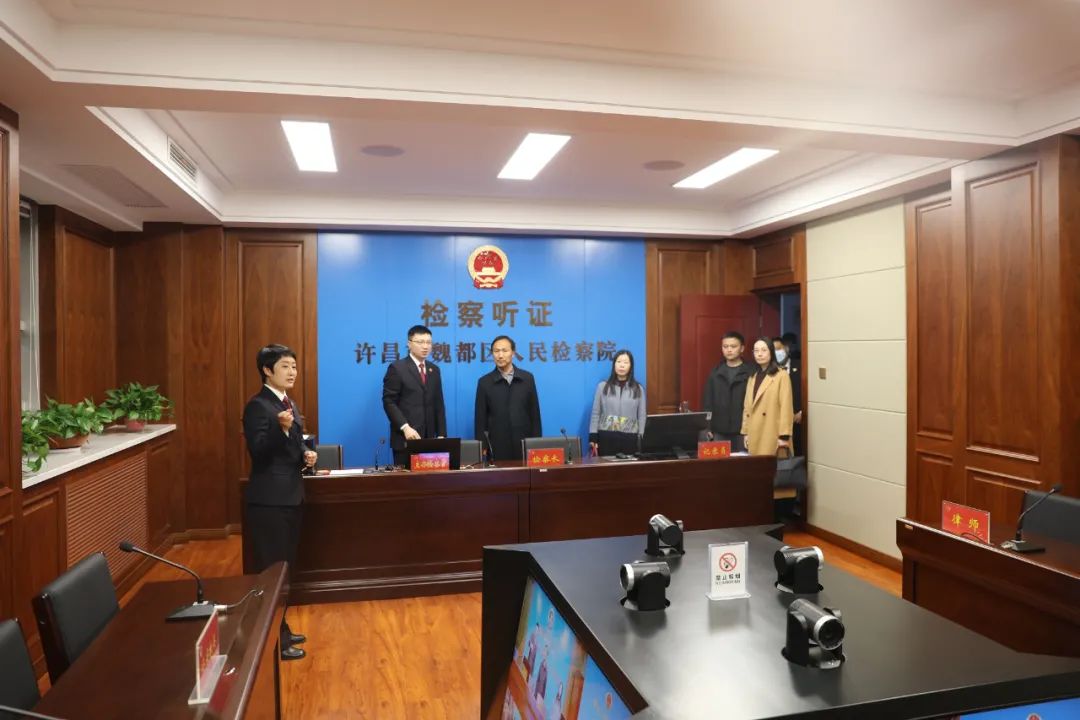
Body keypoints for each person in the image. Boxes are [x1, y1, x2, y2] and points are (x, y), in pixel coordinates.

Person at [243, 343, 317, 661]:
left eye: (294, 366)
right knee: (272, 572)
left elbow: (292, 445)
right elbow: (259, 452)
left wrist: (306, 455)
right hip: (270, 501)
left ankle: (281, 629)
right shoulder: (258, 406)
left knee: (285, 570)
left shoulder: (289, 403)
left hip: (291, 495)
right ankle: (274, 641)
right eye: (285, 366)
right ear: (267, 370)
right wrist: (280, 428)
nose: (292, 372)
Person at [382, 324, 447, 466]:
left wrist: (441, 434)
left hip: (429, 440)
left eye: (428, 342)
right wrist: (405, 427)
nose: (425, 346)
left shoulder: (434, 370)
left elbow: (439, 404)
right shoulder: (397, 368)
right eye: (420, 342)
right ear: (409, 344)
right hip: (406, 438)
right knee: (406, 479)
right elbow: (389, 402)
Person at [475, 335, 541, 461]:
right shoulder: (484, 382)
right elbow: (480, 420)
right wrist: (482, 446)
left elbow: (534, 414)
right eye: (496, 351)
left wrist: (536, 442)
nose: (500, 355)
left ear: (513, 353)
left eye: (504, 351)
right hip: (497, 445)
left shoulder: (527, 379)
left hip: (524, 444)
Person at [702, 331, 754, 452]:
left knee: (744, 462)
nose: (729, 350)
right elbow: (708, 402)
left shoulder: (751, 372)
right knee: (721, 462)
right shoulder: (715, 372)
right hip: (719, 430)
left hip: (744, 430)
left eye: (733, 346)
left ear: (742, 348)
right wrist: (707, 427)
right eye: (725, 346)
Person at [588, 349, 647, 456]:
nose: (622, 365)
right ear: (614, 364)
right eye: (619, 362)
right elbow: (596, 413)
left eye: (625, 362)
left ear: (631, 366)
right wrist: (593, 436)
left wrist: (641, 437)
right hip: (606, 437)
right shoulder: (602, 387)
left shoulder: (638, 389)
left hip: (630, 438)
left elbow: (642, 416)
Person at [742, 337, 794, 456]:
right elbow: (747, 407)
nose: (759, 354)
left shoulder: (781, 375)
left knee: (772, 466)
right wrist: (745, 432)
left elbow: (786, 407)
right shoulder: (752, 376)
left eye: (764, 350)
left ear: (771, 352)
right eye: (756, 350)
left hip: (772, 433)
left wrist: (784, 436)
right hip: (754, 431)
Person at [774, 335, 803, 429]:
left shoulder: (801, 365)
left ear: (786, 348)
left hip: (797, 418)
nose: (776, 353)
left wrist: (802, 411)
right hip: (776, 420)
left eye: (778, 349)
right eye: (773, 350)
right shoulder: (770, 370)